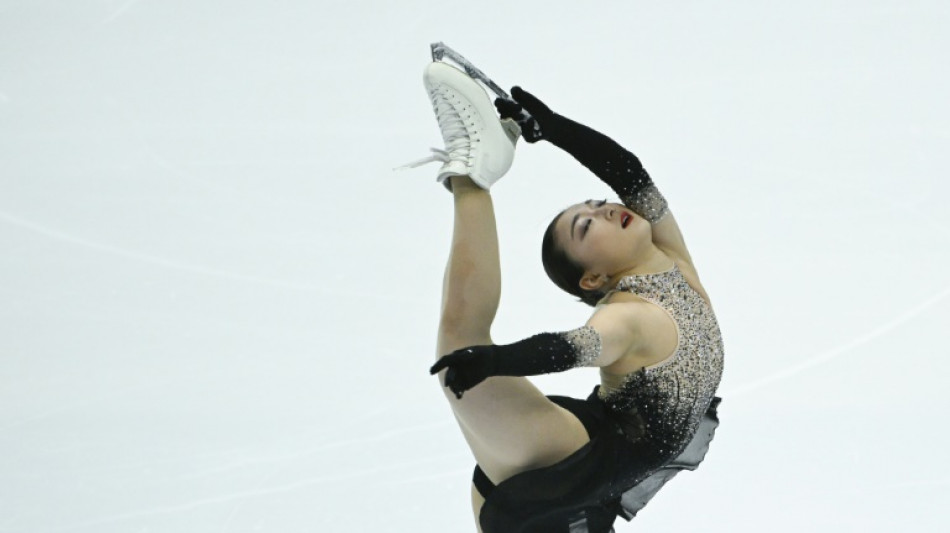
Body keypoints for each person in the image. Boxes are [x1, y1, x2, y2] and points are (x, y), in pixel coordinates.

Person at [415, 61, 724, 533]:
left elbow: (628, 170)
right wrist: (494, 362)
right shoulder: (628, 318)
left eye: (597, 204)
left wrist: (552, 127)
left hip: (589, 467)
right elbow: (568, 348)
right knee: (459, 339)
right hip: (569, 461)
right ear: (593, 278)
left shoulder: (672, 260)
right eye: (586, 226)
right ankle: (471, 175)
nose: (605, 211)